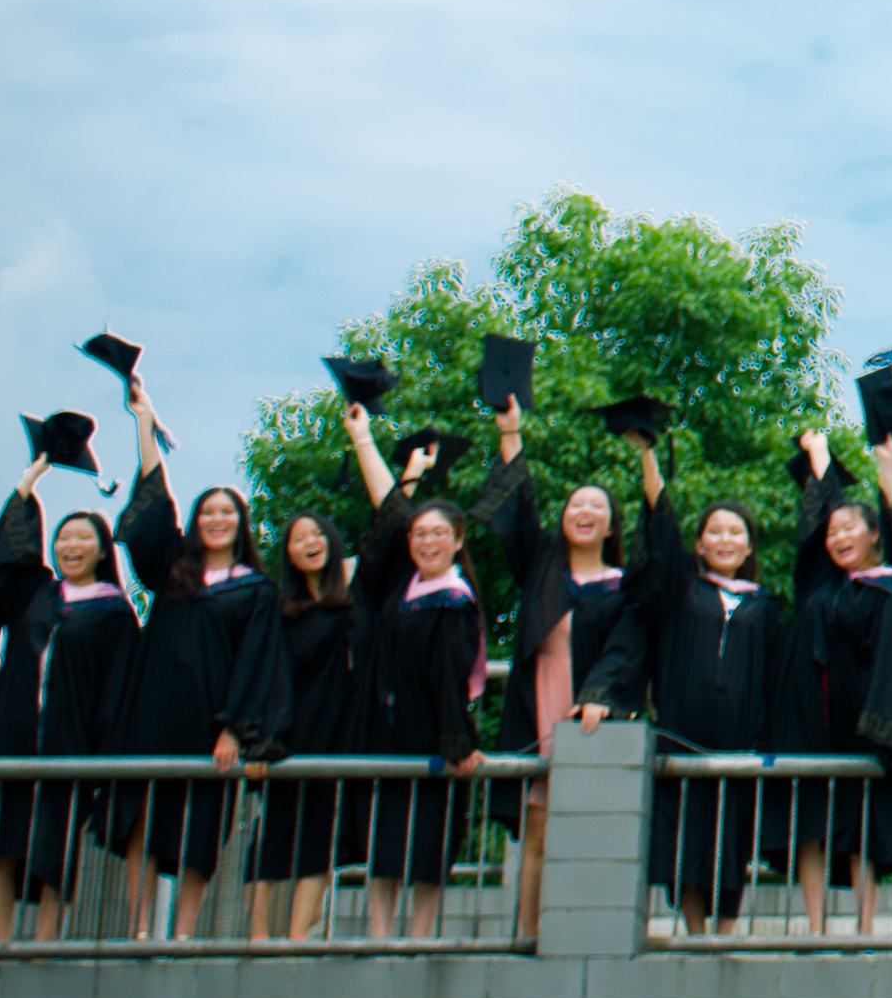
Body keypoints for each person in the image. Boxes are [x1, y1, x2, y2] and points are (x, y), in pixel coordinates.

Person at [109, 368, 284, 940]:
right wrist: (143, 426)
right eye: (207, 512)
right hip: (152, 711)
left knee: (202, 828)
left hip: (211, 720)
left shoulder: (255, 589)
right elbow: (152, 513)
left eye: (226, 512)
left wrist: (234, 728)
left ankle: (182, 931)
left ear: (240, 524)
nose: (214, 519)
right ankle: (138, 926)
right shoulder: (173, 574)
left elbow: (257, 663)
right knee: (138, 815)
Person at [476, 398, 646, 944]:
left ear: (611, 523)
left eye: (597, 506)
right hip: (539, 708)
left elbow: (626, 651)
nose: (585, 511)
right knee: (540, 832)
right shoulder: (542, 570)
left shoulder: (623, 587)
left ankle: (588, 940)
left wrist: (602, 694)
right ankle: (528, 936)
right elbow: (519, 512)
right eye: (576, 504)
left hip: (592, 714)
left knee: (592, 832)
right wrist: (511, 434)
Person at [0, 457, 140, 945]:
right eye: (64, 538)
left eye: (83, 539)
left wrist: (103, 753)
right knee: (1, 841)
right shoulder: (36, 591)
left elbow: (117, 690)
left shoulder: (114, 612)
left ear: (102, 551)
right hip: (11, 734)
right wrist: (26, 485)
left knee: (52, 848)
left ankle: (42, 944)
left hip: (68, 740)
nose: (71, 546)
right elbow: (6, 559)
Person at [339, 406, 488, 942]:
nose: (425, 541)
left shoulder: (455, 599)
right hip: (386, 727)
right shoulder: (403, 590)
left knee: (430, 836)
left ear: (457, 540)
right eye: (419, 535)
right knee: (384, 837)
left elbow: (450, 678)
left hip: (433, 731)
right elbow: (390, 512)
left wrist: (457, 739)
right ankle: (380, 933)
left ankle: (420, 934)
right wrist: (369, 443)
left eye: (437, 534)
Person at [631, 431, 788, 934]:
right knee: (686, 839)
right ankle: (697, 932)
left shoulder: (764, 606)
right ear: (700, 545)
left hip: (741, 742)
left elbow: (775, 679)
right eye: (715, 532)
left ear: (748, 546)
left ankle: (723, 933)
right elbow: (661, 528)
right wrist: (648, 458)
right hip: (684, 738)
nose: (725, 540)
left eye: (735, 532)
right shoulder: (683, 592)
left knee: (731, 840)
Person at [778, 429, 892, 937]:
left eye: (849, 529)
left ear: (873, 534)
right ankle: (815, 928)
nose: (837, 537)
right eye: (833, 531)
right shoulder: (818, 584)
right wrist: (819, 460)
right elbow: (814, 524)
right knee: (812, 825)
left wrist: (886, 465)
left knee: (862, 828)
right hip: (812, 721)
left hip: (867, 724)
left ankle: (863, 928)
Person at [246, 508, 362, 939]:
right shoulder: (278, 609)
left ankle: (297, 938)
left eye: (317, 534)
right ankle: (257, 937)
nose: (309, 542)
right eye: (298, 538)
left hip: (335, 733)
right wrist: (260, 737)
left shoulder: (350, 606)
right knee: (271, 835)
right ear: (288, 554)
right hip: (286, 733)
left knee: (318, 839)